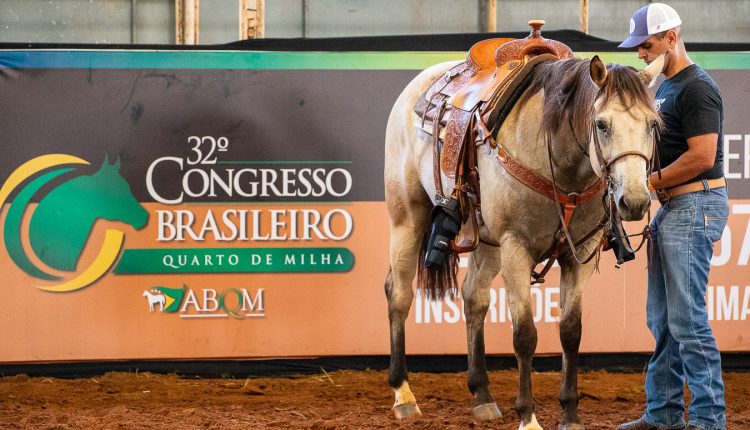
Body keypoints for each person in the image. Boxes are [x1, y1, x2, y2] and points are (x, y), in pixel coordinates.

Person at [616, 3, 728, 430]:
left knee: (686, 321)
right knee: (663, 320)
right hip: (675, 207)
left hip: (694, 204)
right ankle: (663, 414)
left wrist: (651, 181)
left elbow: (701, 156)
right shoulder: (665, 88)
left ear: (670, 38)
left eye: (646, 45)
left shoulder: (697, 88)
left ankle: (707, 419)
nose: (640, 54)